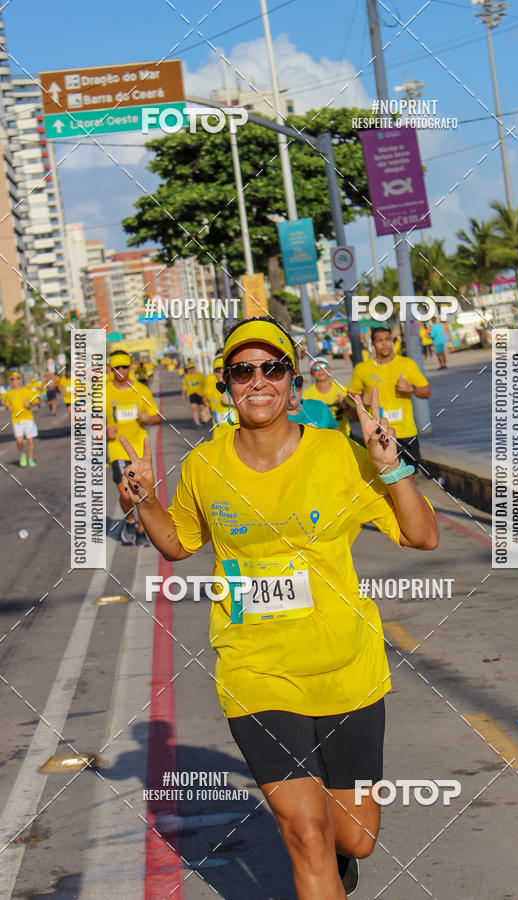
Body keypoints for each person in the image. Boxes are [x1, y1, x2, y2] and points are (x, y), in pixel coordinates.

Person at [118, 315, 438, 899]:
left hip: (347, 666)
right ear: (226, 383)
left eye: (272, 368)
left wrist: (391, 463)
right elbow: (177, 543)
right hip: (255, 666)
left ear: (292, 382)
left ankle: (344, 864)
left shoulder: (338, 455)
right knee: (305, 830)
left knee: (354, 835)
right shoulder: (204, 466)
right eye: (243, 370)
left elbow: (423, 536)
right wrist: (144, 504)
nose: (257, 380)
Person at [348, 325, 430, 473]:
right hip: (378, 434)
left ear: (392, 341)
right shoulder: (362, 369)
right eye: (379, 340)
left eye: (387, 339)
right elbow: (350, 394)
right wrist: (359, 398)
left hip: (406, 433)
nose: (384, 344)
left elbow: (426, 391)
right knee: (385, 479)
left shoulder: (407, 364)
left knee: (409, 478)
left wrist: (411, 388)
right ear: (372, 344)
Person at [106, 350, 162, 546]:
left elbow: (157, 416)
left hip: (140, 448)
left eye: (124, 366)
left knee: (142, 493)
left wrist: (147, 418)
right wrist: (104, 431)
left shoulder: (141, 390)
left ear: (130, 367)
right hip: (117, 450)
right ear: (110, 369)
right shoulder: (103, 392)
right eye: (116, 367)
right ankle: (130, 521)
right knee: (125, 494)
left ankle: (140, 531)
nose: (121, 370)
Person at [303, 356, 352, 436]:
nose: (320, 370)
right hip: (320, 438)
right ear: (311, 373)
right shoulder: (306, 395)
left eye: (323, 366)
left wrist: (345, 405)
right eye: (315, 368)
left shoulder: (342, 389)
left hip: (344, 435)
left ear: (329, 368)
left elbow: (354, 416)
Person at [4, 371, 39, 467]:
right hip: (17, 420)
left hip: (28, 418)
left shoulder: (27, 391)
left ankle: (30, 459)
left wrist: (30, 404)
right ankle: (23, 455)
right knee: (19, 441)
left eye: (17, 378)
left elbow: (36, 401)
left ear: (20, 380)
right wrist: (8, 407)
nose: (15, 380)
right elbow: (7, 404)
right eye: (12, 379)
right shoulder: (9, 394)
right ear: (11, 381)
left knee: (30, 441)